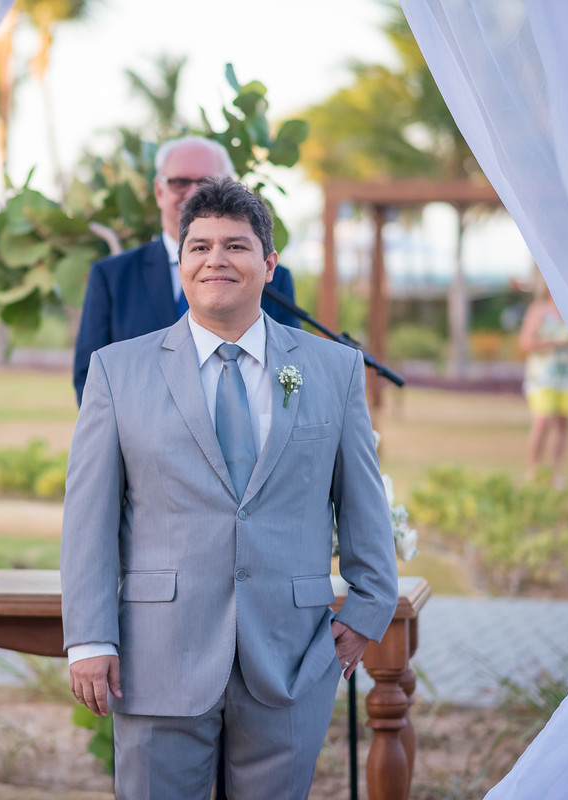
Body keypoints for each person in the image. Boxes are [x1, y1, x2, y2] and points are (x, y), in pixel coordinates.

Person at [61, 177, 398, 800]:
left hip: (293, 656)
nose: (216, 259)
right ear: (182, 262)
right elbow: (88, 519)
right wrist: (89, 638)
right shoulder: (117, 371)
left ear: (269, 265)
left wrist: (372, 604)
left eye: (237, 247)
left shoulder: (331, 369)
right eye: (199, 247)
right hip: (157, 656)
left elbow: (362, 499)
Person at [72, 135, 301, 405]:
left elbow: (289, 372)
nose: (193, 193)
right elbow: (91, 378)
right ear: (159, 191)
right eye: (180, 182)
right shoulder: (111, 278)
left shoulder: (273, 278)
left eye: (207, 182)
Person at [518, 273, 568, 488]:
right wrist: (554, 344)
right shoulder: (539, 310)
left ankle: (555, 473)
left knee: (562, 424)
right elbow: (525, 343)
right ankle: (533, 470)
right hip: (542, 377)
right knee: (542, 421)